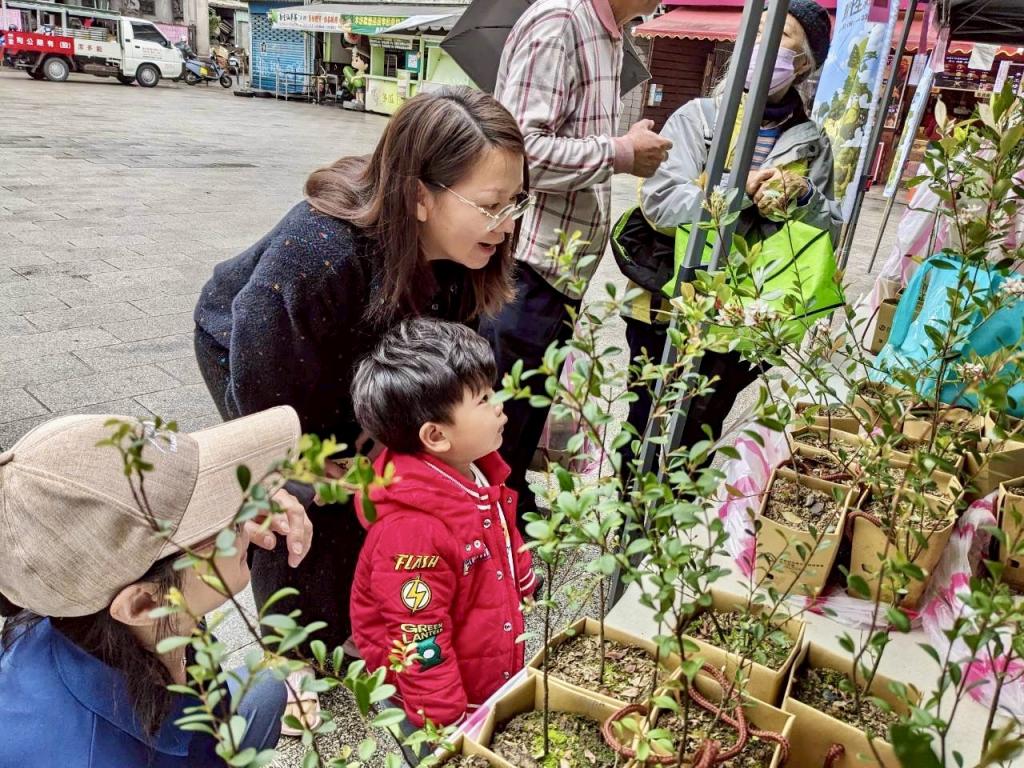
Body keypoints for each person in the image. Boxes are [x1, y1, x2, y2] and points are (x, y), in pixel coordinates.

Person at [193, 87, 529, 654]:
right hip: (260, 349)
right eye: (491, 205)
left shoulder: (467, 255)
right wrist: (301, 462)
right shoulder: (318, 249)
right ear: (419, 196)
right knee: (308, 488)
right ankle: (300, 646)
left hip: (365, 346)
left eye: (515, 203)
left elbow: (447, 361)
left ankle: (364, 607)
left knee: (377, 472)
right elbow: (263, 374)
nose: (506, 225)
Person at [0, 407, 309, 767]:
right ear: (142, 604)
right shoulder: (95, 756)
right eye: (225, 516)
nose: (247, 506)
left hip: (196, 732)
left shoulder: (88, 604)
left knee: (269, 688)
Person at [618, 0, 839, 472]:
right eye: (757, 30)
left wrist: (803, 197)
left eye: (781, 35)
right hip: (666, 303)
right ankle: (629, 510)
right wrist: (737, 194)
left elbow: (829, 232)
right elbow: (660, 204)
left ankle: (674, 513)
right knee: (644, 425)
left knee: (699, 432)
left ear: (803, 65)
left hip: (746, 315)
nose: (762, 42)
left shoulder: (812, 143)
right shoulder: (699, 118)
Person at [480, 0, 672, 526]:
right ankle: (487, 528)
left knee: (527, 413)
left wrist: (623, 148)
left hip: (561, 274)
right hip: (527, 267)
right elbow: (517, 154)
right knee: (501, 417)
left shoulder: (611, 34)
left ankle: (510, 510)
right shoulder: (561, 22)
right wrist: (621, 152)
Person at [349, 318, 536, 733]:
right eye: (483, 398)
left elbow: (502, 532)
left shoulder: (477, 470)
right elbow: (420, 637)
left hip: (482, 654)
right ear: (435, 436)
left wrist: (522, 579)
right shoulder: (410, 533)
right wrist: (448, 724)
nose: (499, 404)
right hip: (436, 702)